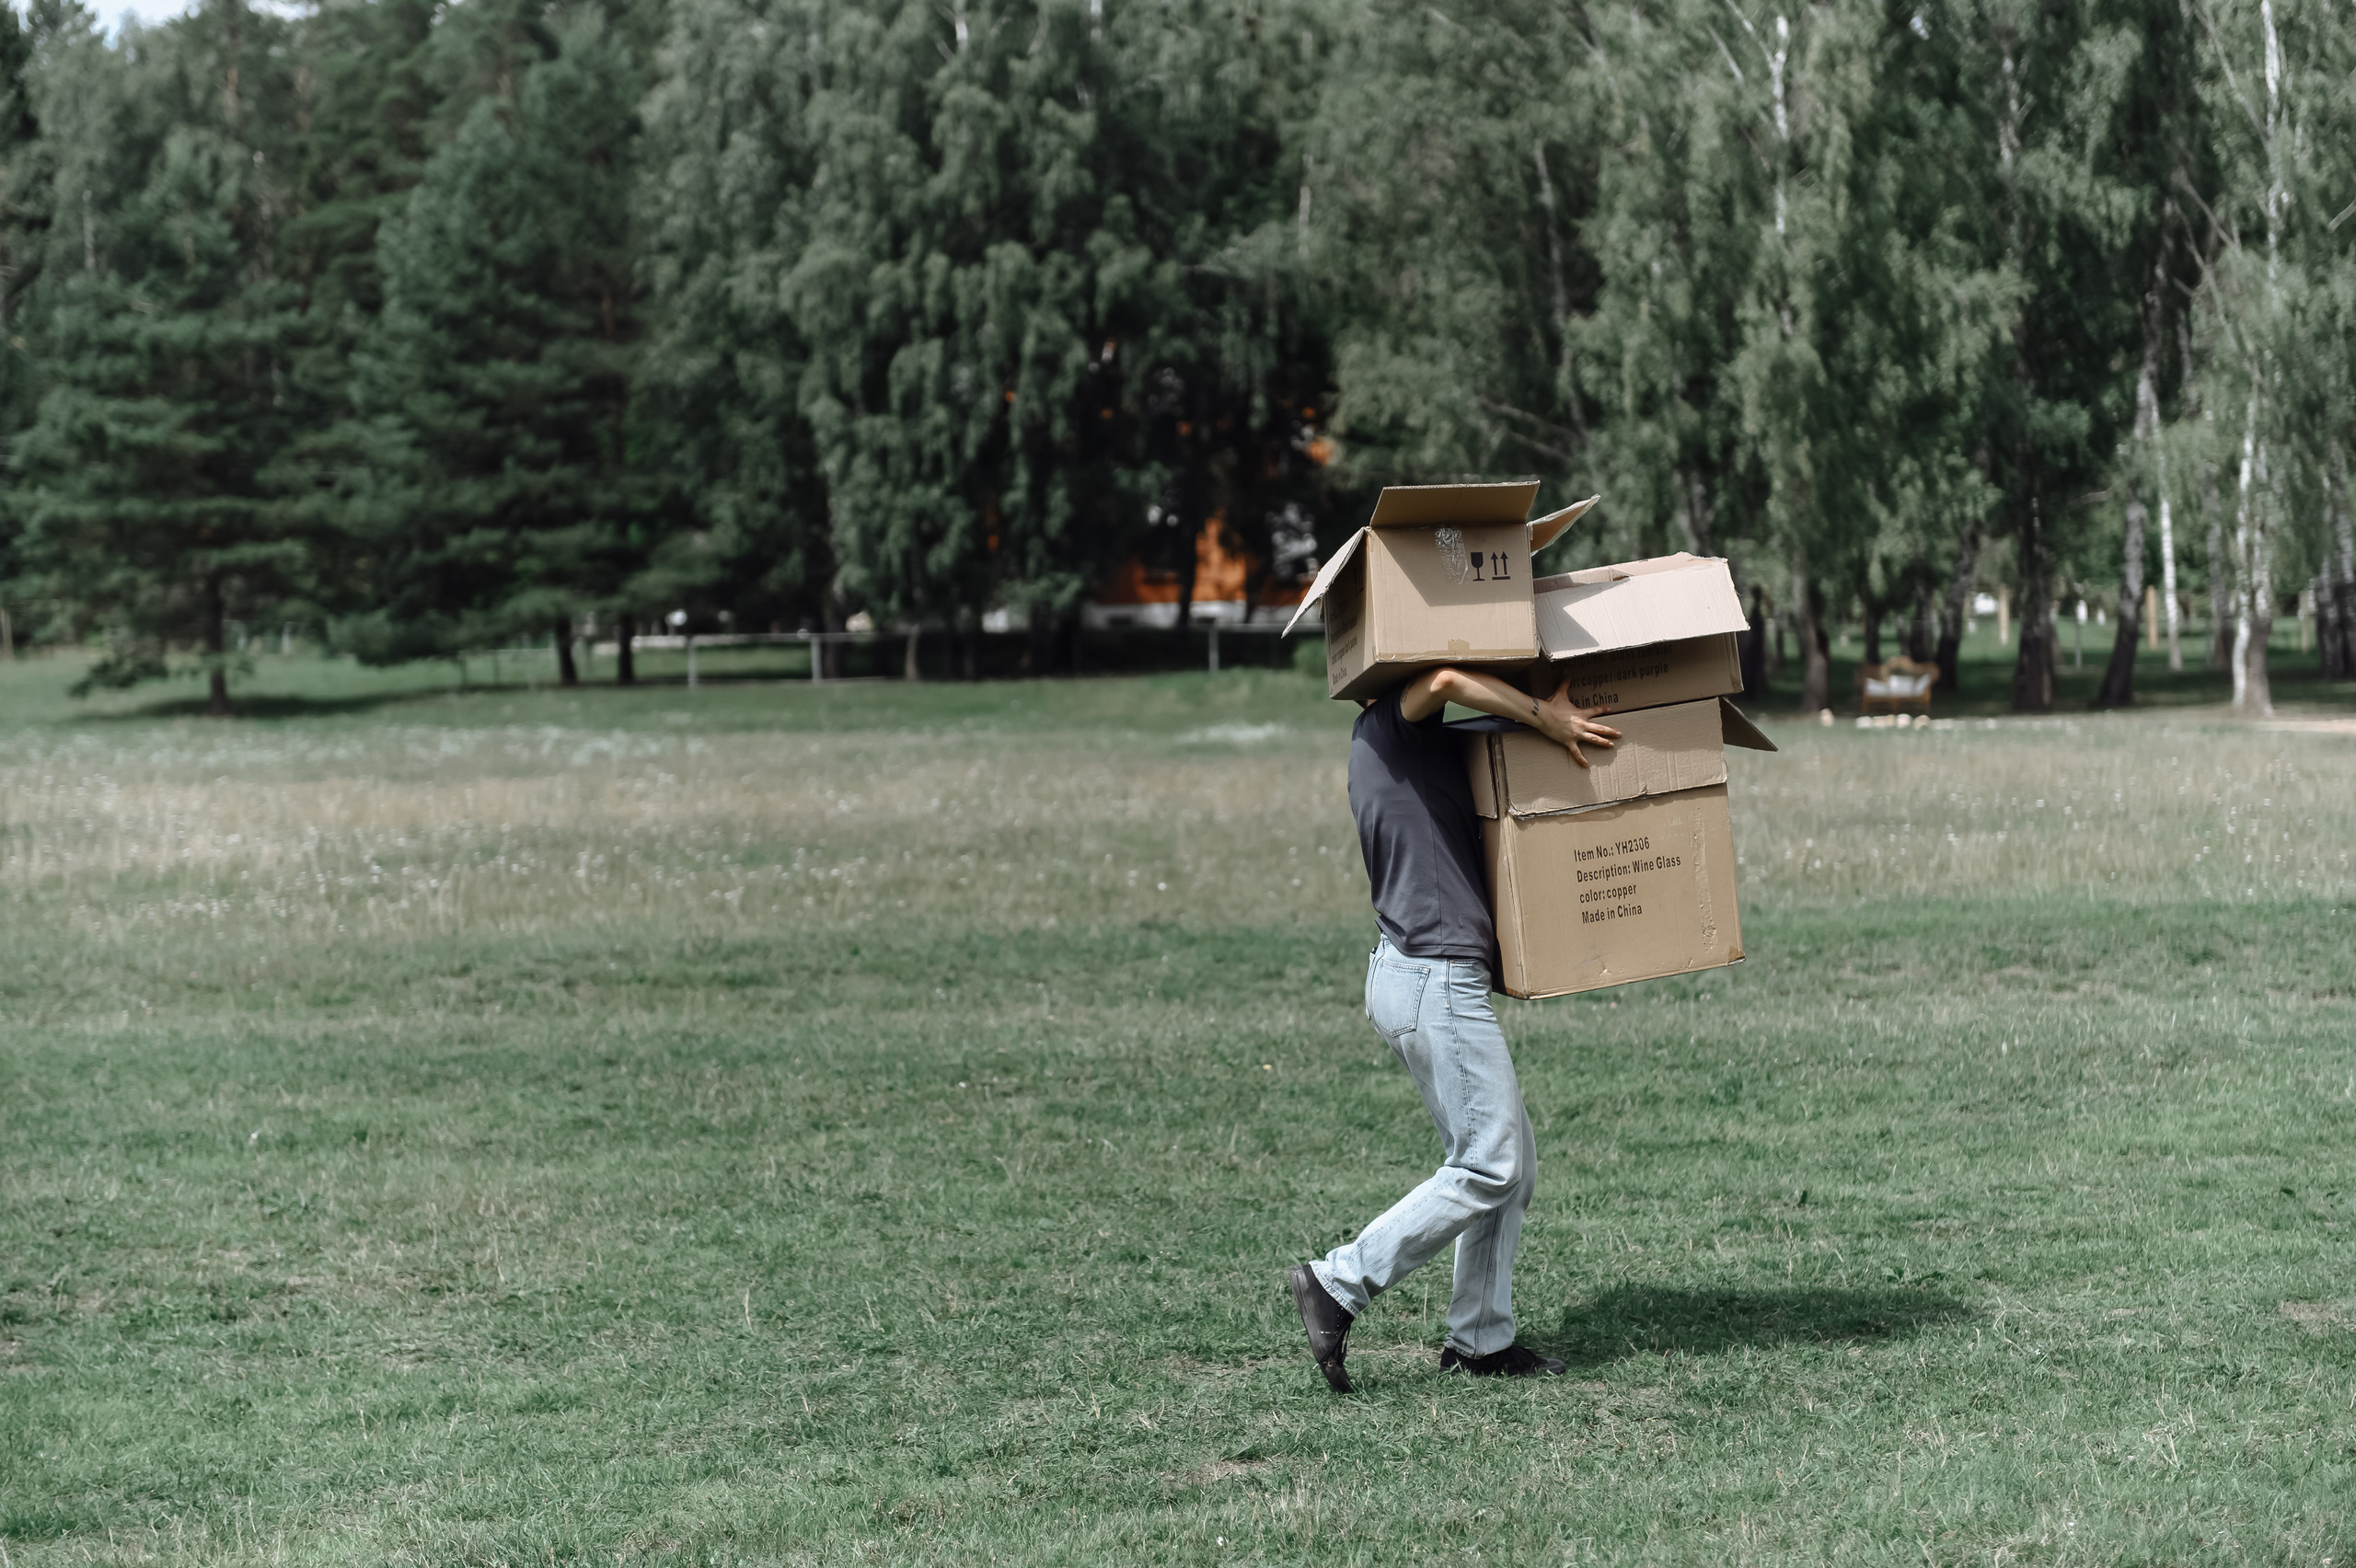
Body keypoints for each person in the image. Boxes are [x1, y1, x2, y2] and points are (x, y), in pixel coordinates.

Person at [1288, 666, 1620, 1390]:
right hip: (1432, 977)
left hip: (1418, 974)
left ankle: (1478, 1342)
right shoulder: (1394, 721)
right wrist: (1547, 716)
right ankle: (1338, 1282)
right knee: (1490, 1164)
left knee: (1511, 1166)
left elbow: (1468, 716)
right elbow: (1444, 676)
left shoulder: (1402, 741)